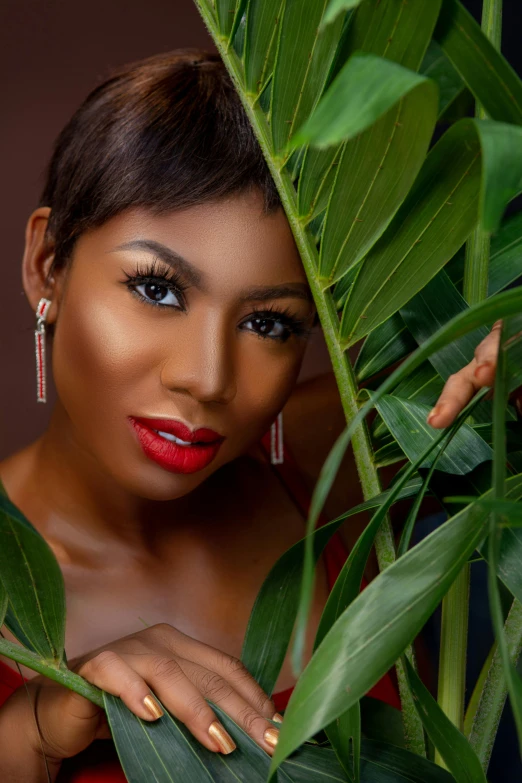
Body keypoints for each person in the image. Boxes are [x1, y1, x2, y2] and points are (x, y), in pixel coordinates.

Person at [0, 49, 509, 782]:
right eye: (158, 289)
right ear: (49, 263)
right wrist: (36, 727)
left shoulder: (335, 461)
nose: (207, 378)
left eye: (270, 324)